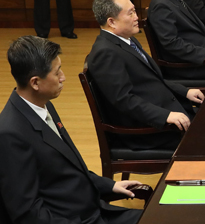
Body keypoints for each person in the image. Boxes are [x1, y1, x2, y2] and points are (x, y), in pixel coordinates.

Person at [0, 36, 142, 224]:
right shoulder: (10, 134)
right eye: (57, 72)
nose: (63, 77)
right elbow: (27, 212)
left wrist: (111, 185)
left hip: (95, 210)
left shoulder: (44, 105)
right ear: (35, 82)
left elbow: (66, 171)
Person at [87, 0, 204, 151]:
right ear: (111, 22)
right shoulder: (105, 52)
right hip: (147, 131)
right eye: (131, 13)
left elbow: (153, 79)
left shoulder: (127, 40)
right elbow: (124, 100)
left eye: (135, 11)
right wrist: (165, 116)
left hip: (168, 110)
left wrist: (185, 92)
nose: (137, 17)